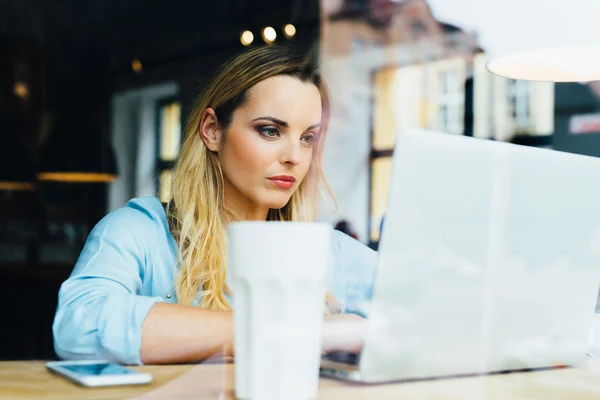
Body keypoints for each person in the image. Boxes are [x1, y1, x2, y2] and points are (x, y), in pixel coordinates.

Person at [52, 45, 377, 365]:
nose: (294, 156)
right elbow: (79, 325)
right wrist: (299, 332)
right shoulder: (139, 233)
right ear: (212, 131)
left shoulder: (327, 253)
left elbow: (421, 311)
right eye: (270, 130)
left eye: (307, 138)